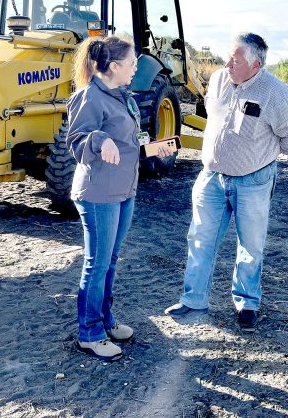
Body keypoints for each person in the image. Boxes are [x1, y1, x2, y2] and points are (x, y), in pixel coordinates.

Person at [165, 32, 288, 332]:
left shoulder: (274, 93)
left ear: (255, 65)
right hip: (211, 178)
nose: (228, 62)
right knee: (200, 240)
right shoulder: (217, 80)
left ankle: (247, 303)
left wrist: (263, 153)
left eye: (236, 59)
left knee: (251, 245)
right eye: (228, 56)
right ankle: (193, 301)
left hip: (253, 181)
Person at [66, 35, 169, 361]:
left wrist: (152, 147)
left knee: (110, 261)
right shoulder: (89, 98)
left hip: (124, 190)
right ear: (112, 66)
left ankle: (106, 320)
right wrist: (99, 139)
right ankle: (90, 332)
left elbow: (131, 139)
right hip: (98, 194)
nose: (136, 68)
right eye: (131, 63)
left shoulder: (123, 95)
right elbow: (77, 142)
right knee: (96, 264)